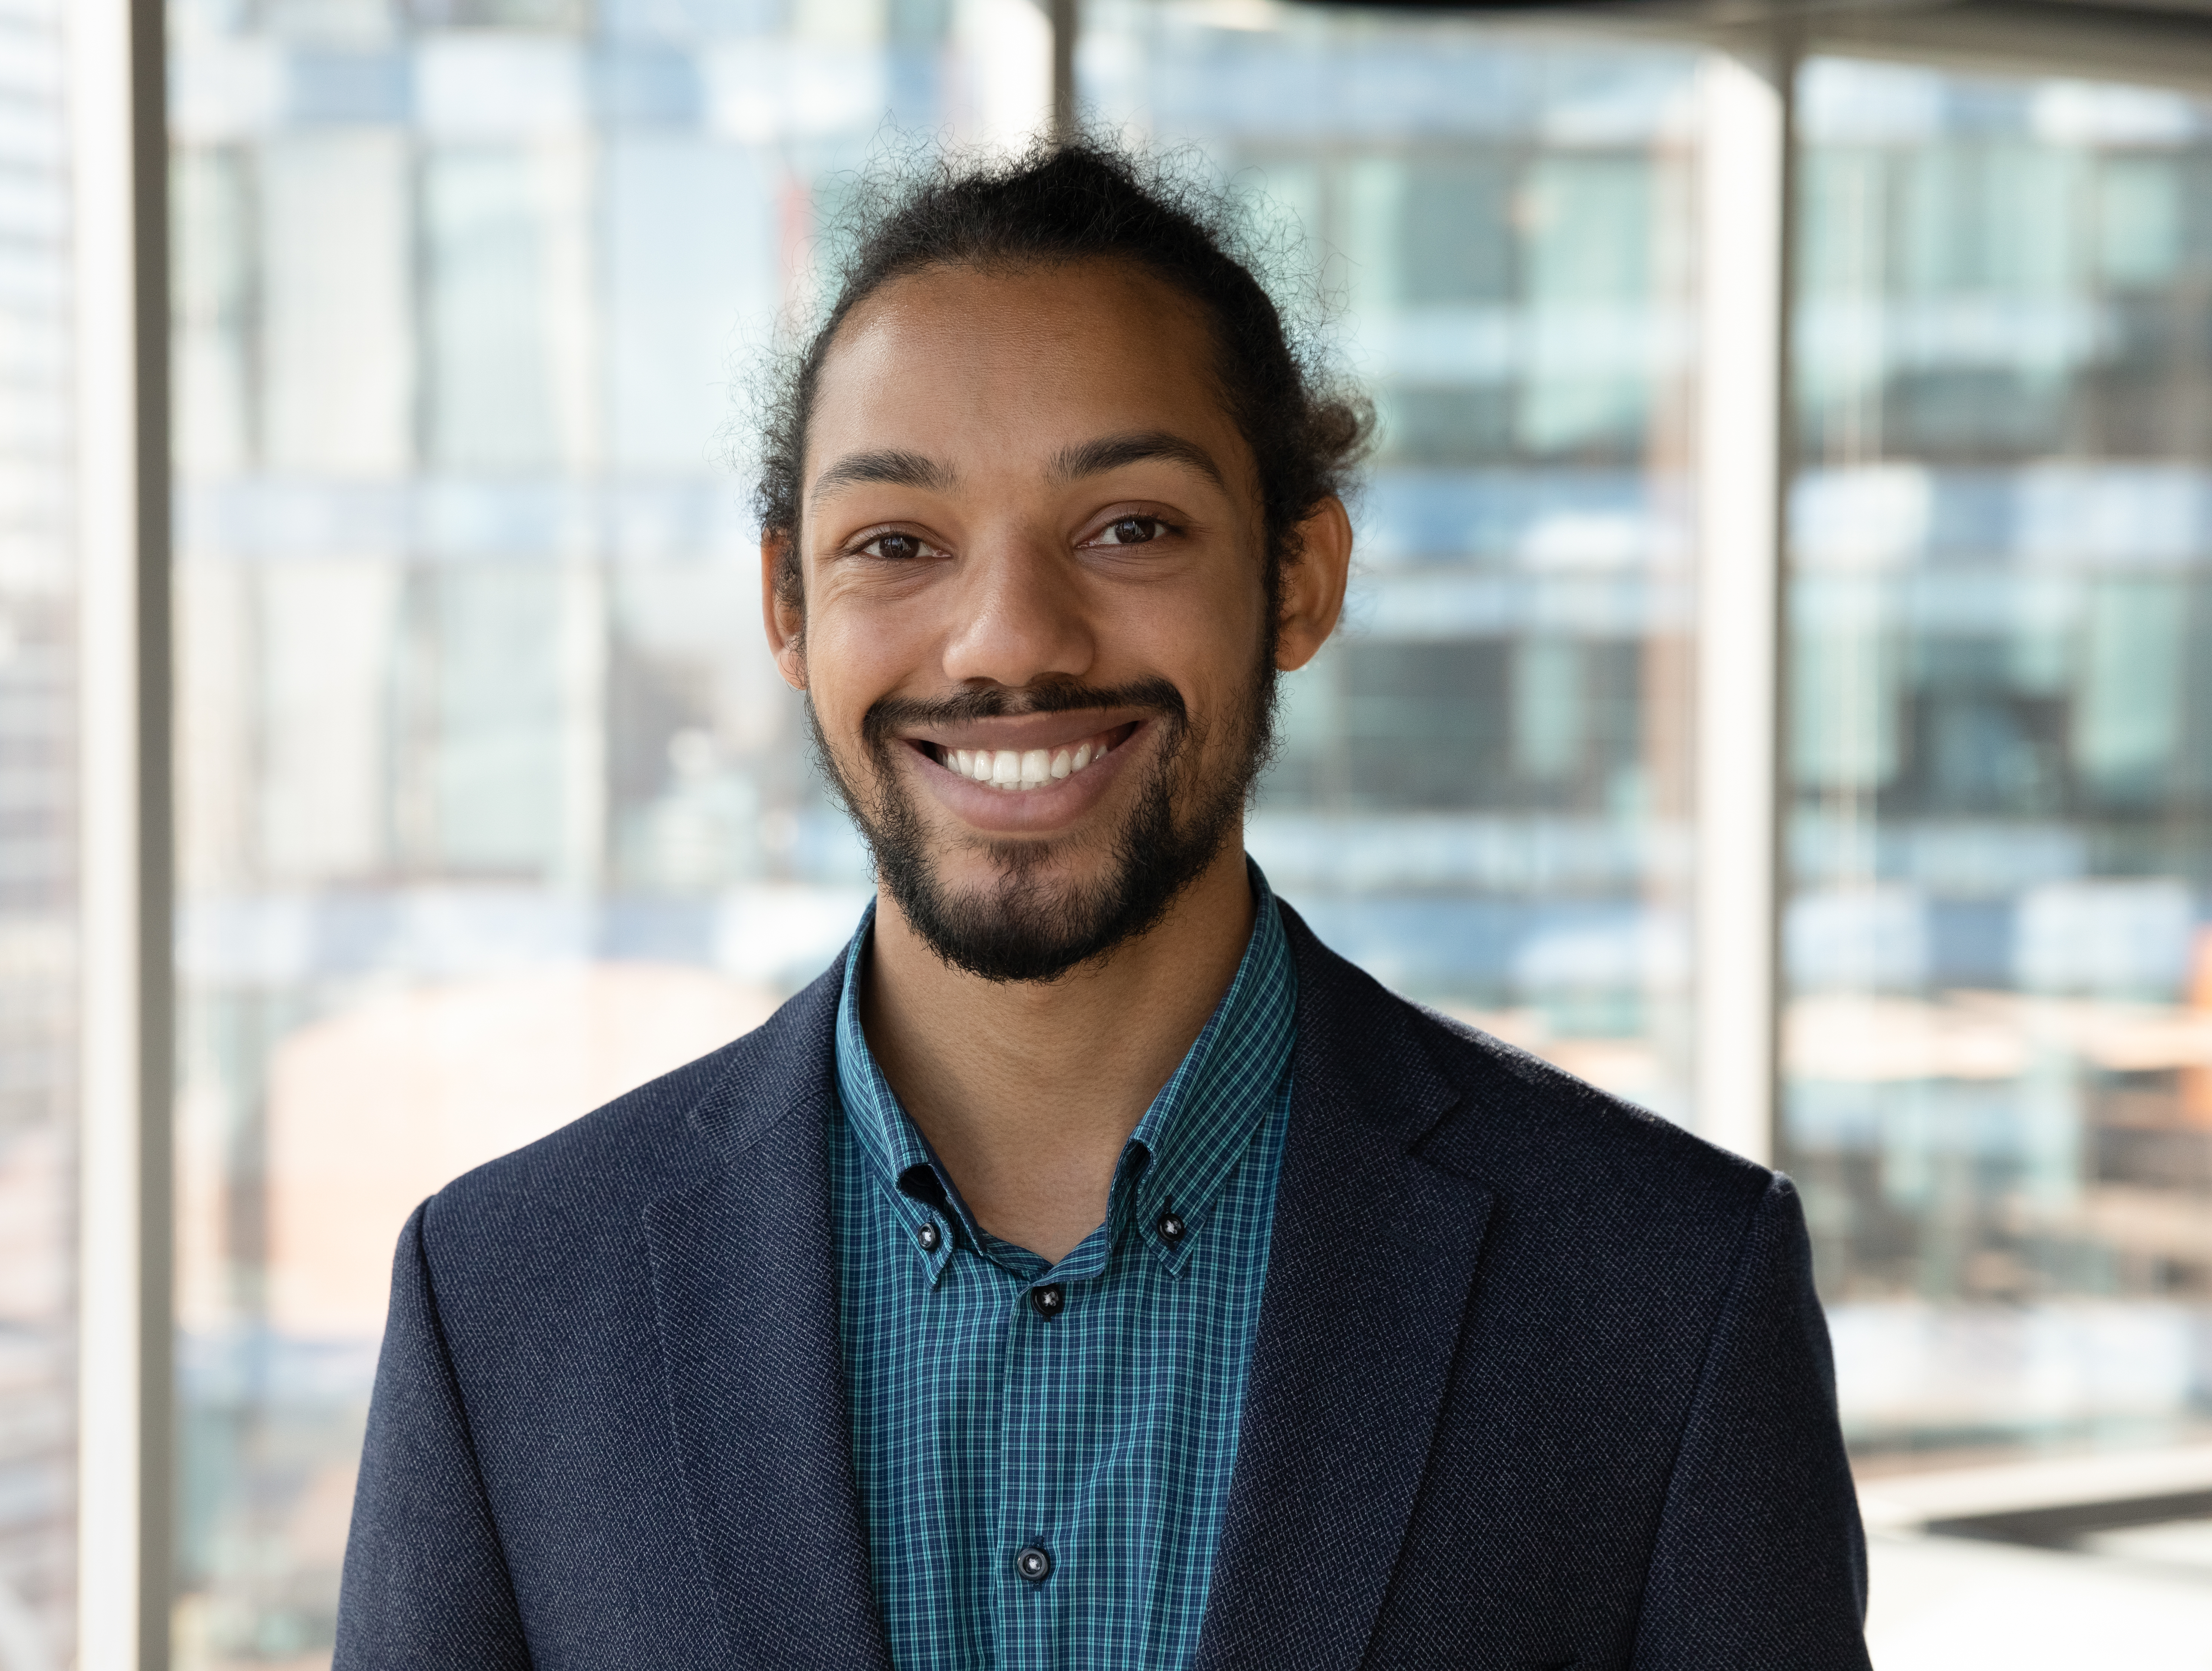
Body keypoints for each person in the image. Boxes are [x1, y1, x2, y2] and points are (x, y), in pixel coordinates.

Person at [331, 142, 1870, 1671]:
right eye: (896, 543)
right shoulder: (508, 1304)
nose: (1012, 638)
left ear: (1300, 578)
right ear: (789, 607)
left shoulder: (1663, 1294)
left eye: (1129, 526)